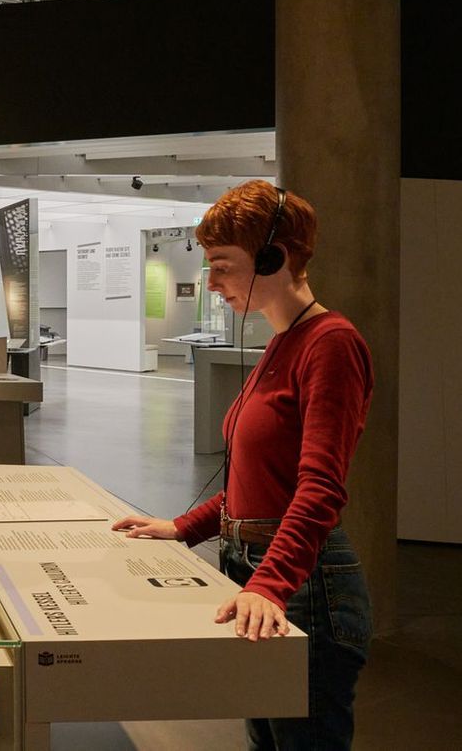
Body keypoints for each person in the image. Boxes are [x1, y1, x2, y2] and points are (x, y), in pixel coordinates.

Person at [112, 180, 374, 750]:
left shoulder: (331, 344)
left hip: (304, 583)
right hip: (257, 568)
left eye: (223, 266)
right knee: (265, 738)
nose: (212, 283)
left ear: (274, 258)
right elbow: (254, 481)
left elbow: (320, 487)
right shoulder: (282, 342)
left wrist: (272, 584)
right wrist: (185, 528)